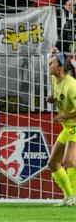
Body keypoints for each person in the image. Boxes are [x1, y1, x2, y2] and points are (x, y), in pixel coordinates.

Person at [47, 52, 76, 206]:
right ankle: (68, 197)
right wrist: (53, 100)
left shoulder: (72, 85)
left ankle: (74, 197)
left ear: (60, 67)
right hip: (68, 128)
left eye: (52, 62)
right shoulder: (55, 79)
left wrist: (63, 116)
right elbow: (62, 100)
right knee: (53, 163)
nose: (49, 65)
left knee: (69, 161)